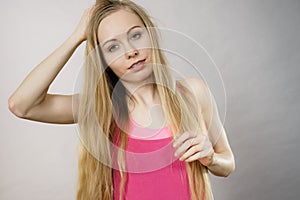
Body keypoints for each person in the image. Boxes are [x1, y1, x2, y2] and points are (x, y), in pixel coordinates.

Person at [8, 0, 235, 199]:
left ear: (150, 33)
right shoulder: (100, 109)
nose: (130, 51)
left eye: (135, 35)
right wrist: (77, 37)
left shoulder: (194, 92)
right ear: (102, 60)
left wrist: (212, 158)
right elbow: (21, 105)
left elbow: (228, 164)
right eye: (113, 47)